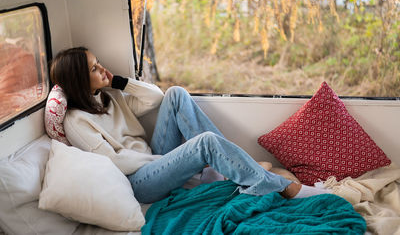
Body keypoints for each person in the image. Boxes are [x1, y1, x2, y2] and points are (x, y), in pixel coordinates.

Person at [50, 47, 330, 204]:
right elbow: (113, 162)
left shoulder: (109, 97)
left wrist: (118, 82)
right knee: (205, 142)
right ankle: (284, 187)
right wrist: (167, 161)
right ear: (77, 78)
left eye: (99, 63)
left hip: (153, 161)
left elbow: (156, 98)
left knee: (175, 94)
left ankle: (227, 173)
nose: (102, 69)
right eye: (94, 68)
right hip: (139, 182)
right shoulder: (77, 121)